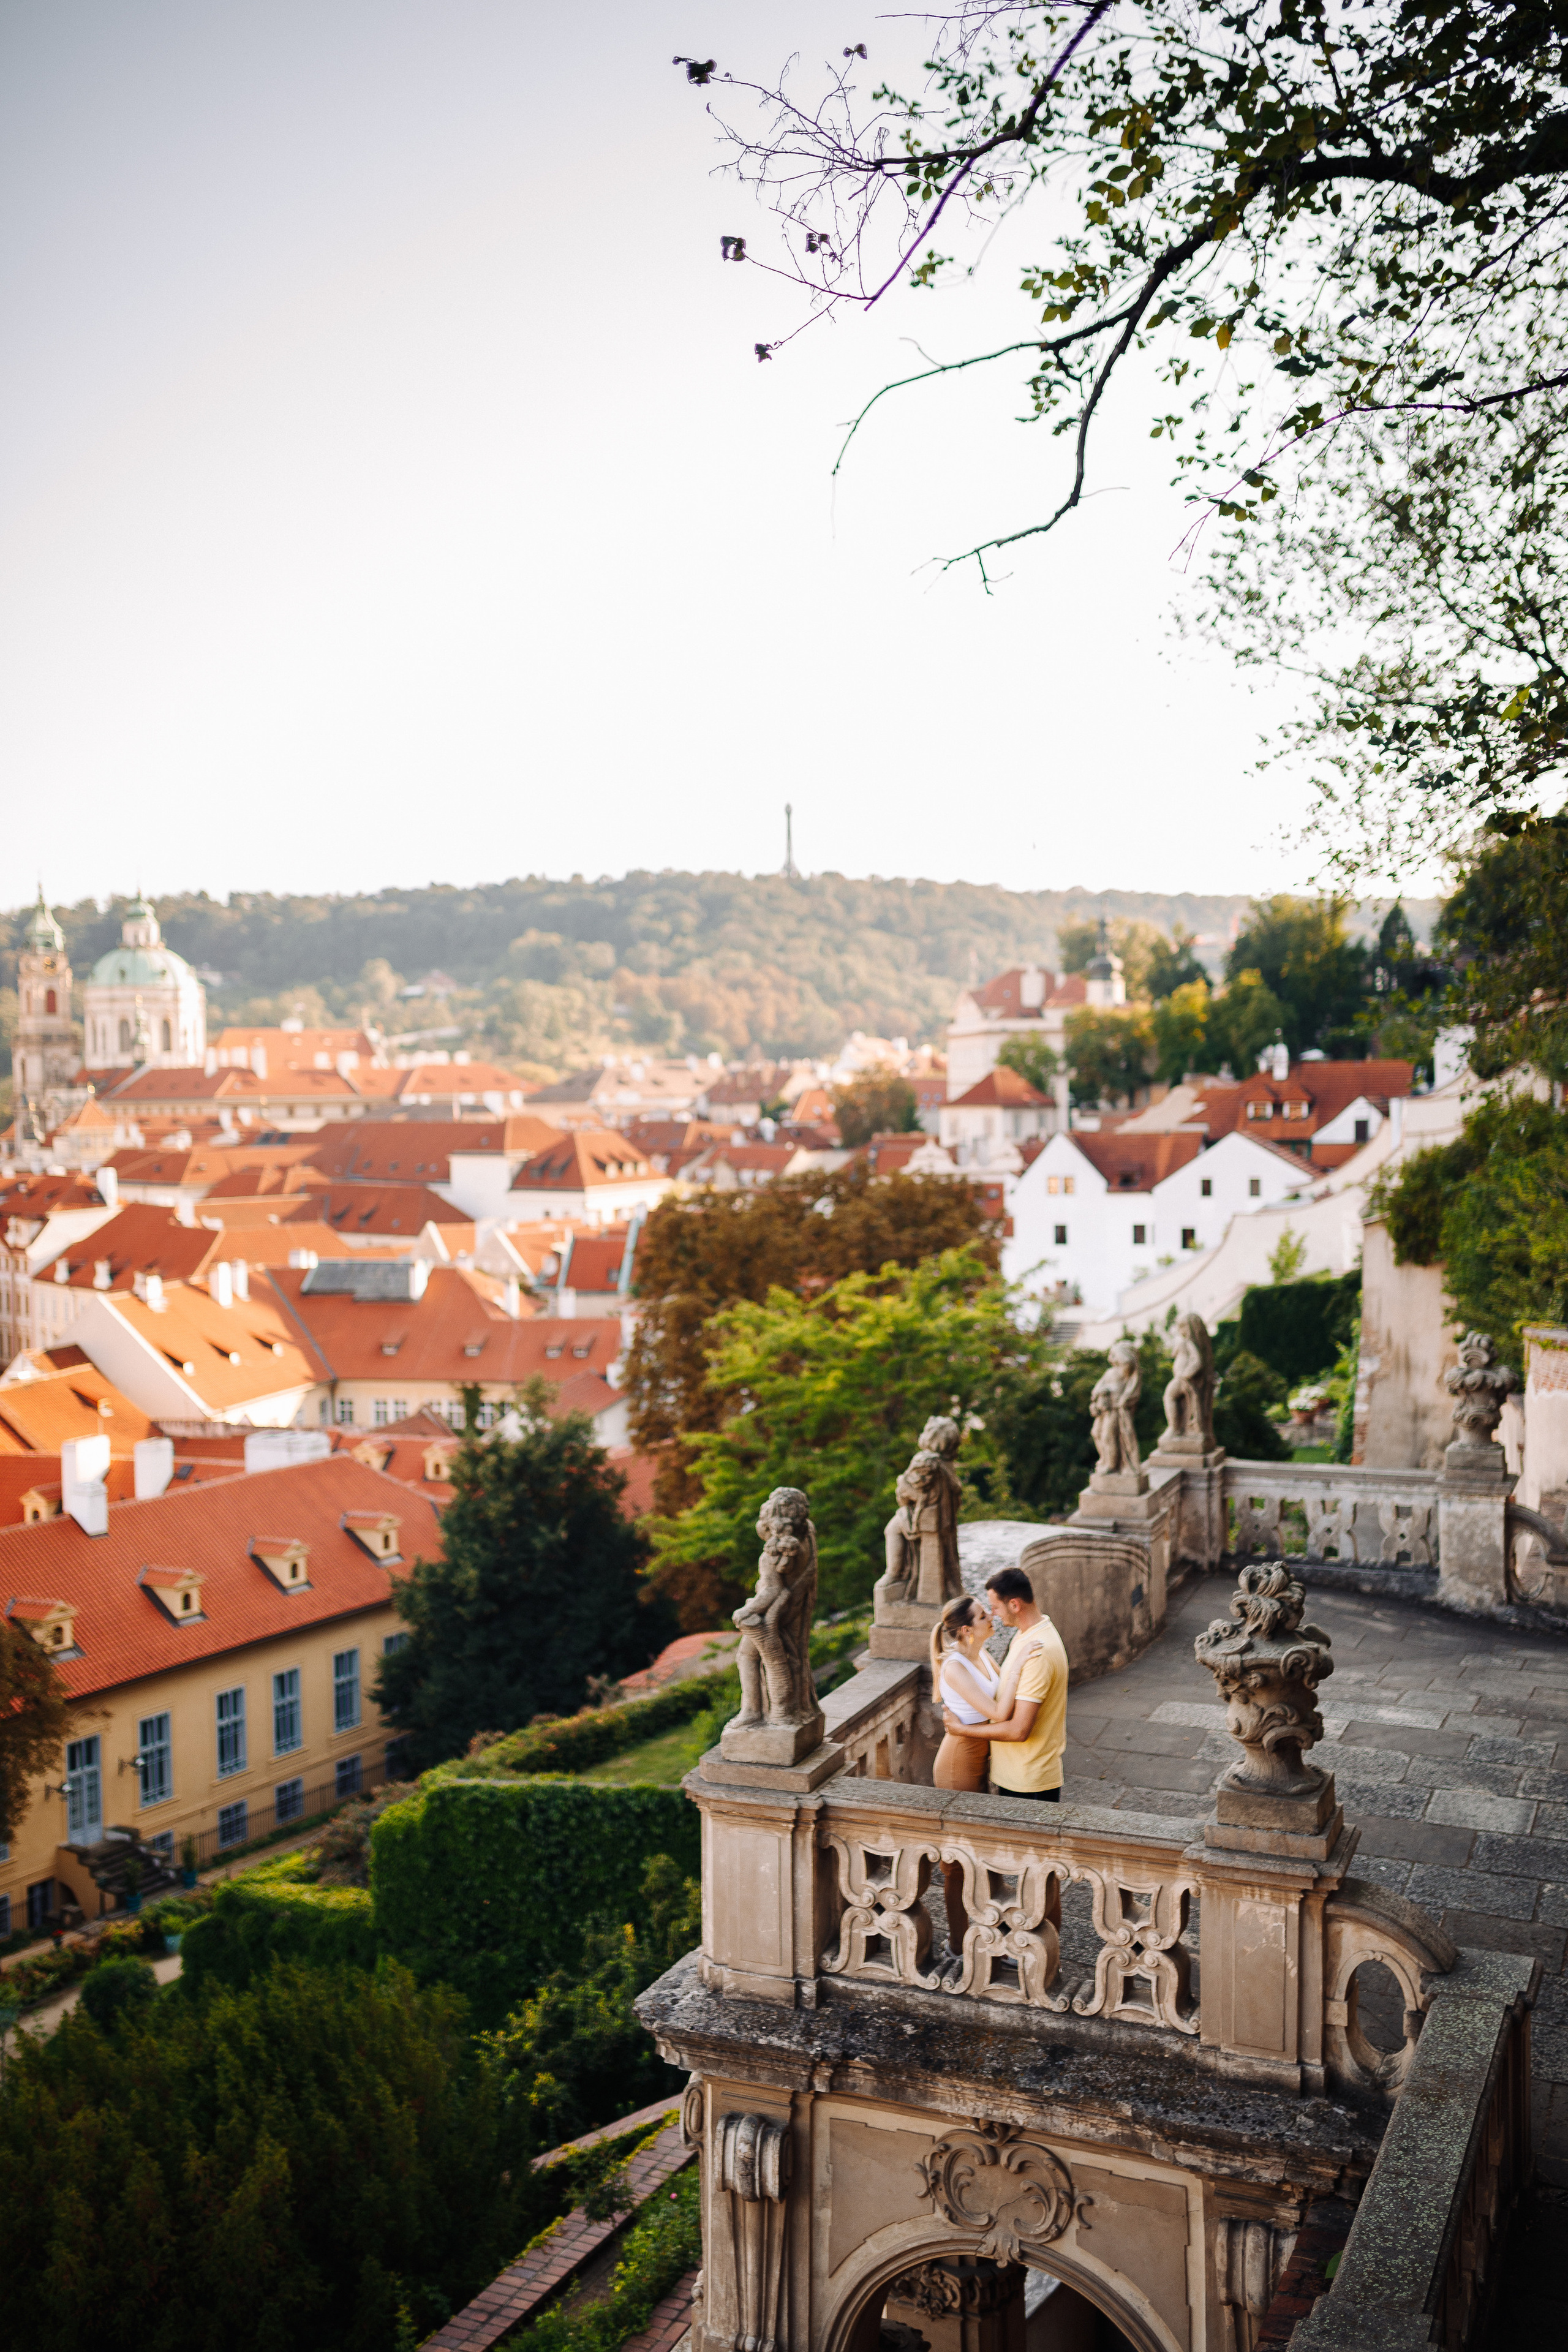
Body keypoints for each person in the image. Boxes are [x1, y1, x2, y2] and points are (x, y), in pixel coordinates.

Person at [941, 1566, 1069, 1804]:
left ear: (1014, 1605)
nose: (993, 1615)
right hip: (1014, 1773)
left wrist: (961, 1730)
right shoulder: (1025, 1637)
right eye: (986, 1612)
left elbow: (1019, 1730)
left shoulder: (1038, 1653)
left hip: (1027, 1778)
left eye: (995, 1608)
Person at [928, 1594, 1006, 1954]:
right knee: (958, 1861)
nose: (990, 1616)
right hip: (959, 1763)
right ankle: (958, 1944)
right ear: (965, 1629)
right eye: (982, 1615)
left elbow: (1004, 1695)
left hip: (980, 1757)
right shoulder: (955, 1666)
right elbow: (996, 1711)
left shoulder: (982, 1655)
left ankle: (995, 1934)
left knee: (987, 1853)